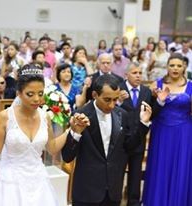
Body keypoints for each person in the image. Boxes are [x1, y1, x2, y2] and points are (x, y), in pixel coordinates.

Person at [0, 63, 89, 206]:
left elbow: (51, 148)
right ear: (19, 93)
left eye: (40, 93)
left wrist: (70, 130)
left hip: (39, 182)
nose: (36, 99)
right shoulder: (5, 116)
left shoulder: (45, 116)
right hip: (11, 184)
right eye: (30, 94)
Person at [62, 74, 152, 206]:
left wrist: (143, 124)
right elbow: (67, 156)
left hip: (113, 191)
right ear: (94, 95)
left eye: (115, 100)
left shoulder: (122, 114)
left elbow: (130, 147)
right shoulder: (81, 115)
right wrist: (76, 133)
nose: (111, 105)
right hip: (86, 193)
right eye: (107, 99)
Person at [142, 54, 192, 206]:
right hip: (161, 131)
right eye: (172, 65)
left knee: (181, 167)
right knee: (160, 166)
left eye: (179, 65)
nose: (175, 68)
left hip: (184, 133)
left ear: (184, 67)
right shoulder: (155, 85)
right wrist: (158, 100)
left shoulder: (191, 85)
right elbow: (149, 112)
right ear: (167, 67)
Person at [117, 62, 152, 206]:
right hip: (121, 139)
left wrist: (160, 102)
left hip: (138, 138)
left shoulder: (146, 91)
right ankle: (115, 200)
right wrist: (118, 101)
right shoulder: (119, 88)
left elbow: (151, 112)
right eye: (134, 73)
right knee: (118, 173)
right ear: (126, 74)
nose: (138, 76)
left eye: (139, 73)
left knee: (136, 174)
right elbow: (111, 110)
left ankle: (134, 202)